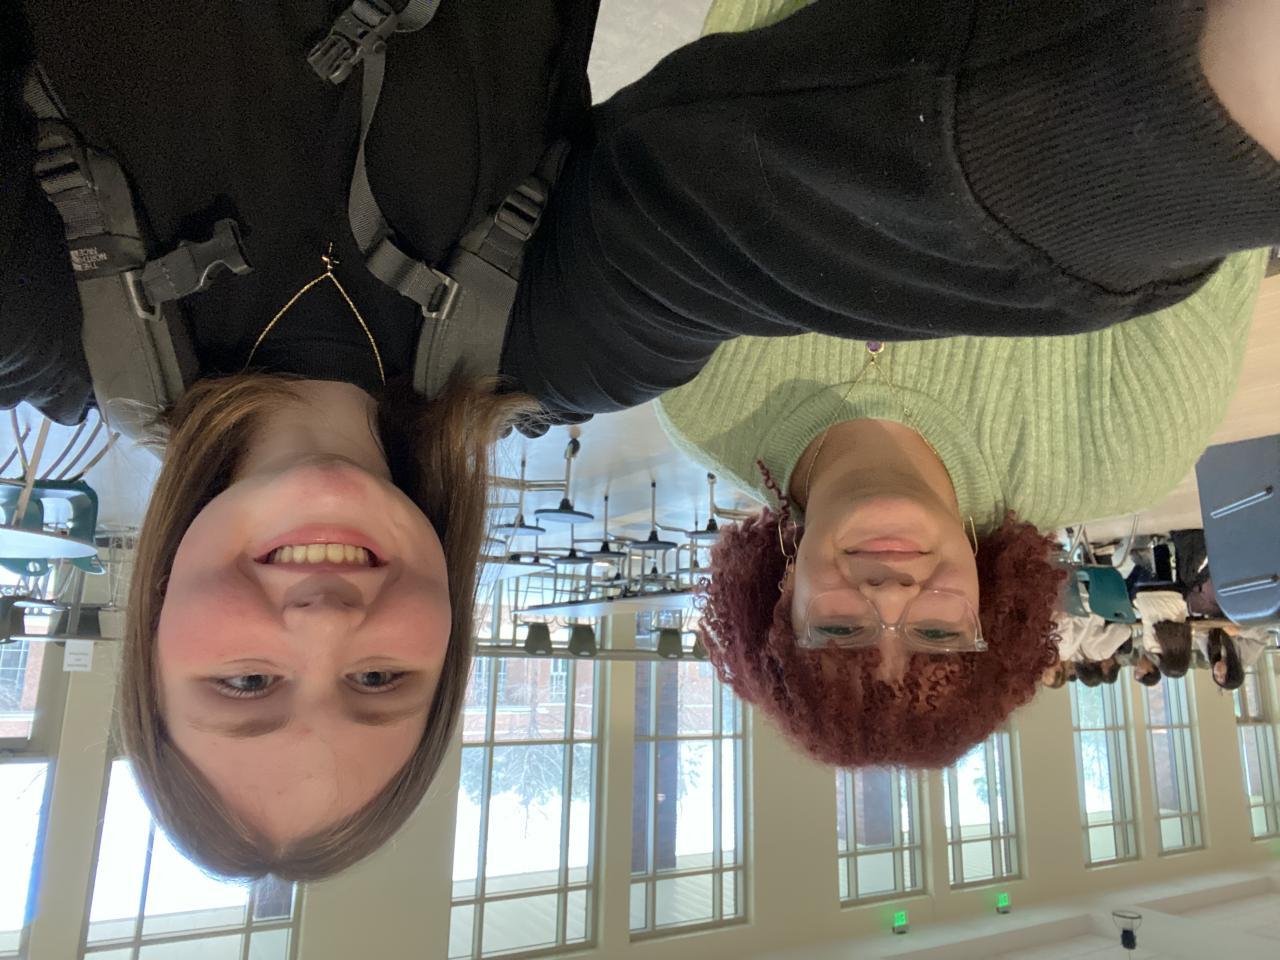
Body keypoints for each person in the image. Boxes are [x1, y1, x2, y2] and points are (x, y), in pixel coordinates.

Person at [4, 0, 1280, 878]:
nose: (324, 629)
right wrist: (1202, 115)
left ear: (149, 633)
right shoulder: (563, 344)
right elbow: (762, 205)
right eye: (381, 684)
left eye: (245, 688)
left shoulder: (34, 317)